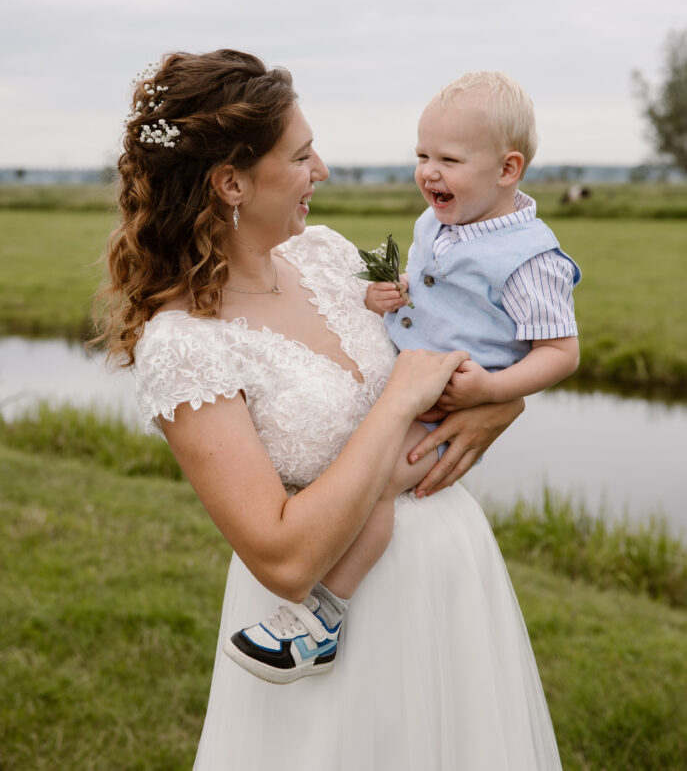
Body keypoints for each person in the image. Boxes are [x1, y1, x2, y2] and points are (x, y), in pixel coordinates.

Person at [99, 49, 563, 770]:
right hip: (325, 612)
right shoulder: (185, 344)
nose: (322, 170)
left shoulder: (325, 255)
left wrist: (500, 402)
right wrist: (403, 398)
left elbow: (463, 339)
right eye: (301, 156)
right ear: (231, 182)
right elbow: (283, 558)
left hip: (449, 568)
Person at [229, 69, 580, 686]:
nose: (429, 172)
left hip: (445, 404)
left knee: (379, 480)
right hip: (405, 388)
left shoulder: (530, 257)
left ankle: (323, 617)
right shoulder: (435, 225)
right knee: (364, 467)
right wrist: (388, 297)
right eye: (422, 156)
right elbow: (428, 298)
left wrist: (493, 392)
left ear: (508, 169)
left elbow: (561, 351)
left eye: (449, 160)